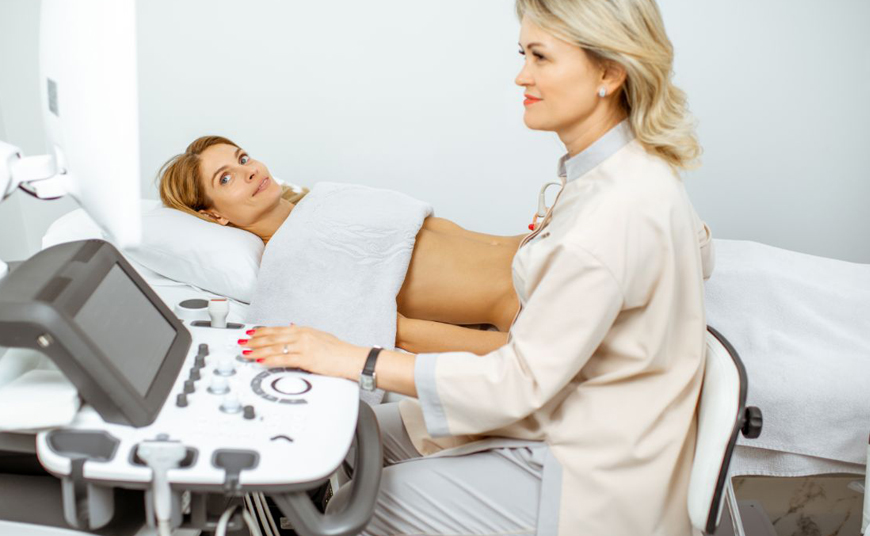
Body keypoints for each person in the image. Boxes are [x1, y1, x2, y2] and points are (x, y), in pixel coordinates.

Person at [242, 0, 715, 534]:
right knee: (353, 432)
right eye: (523, 54)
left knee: (354, 507)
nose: (521, 76)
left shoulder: (610, 213)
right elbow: (701, 250)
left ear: (609, 73)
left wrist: (358, 358)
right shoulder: (633, 170)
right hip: (568, 403)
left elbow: (515, 383)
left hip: (591, 461)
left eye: (540, 58)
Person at [159, 135, 529, 355]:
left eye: (243, 158)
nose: (249, 170)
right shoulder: (288, 266)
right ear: (212, 216)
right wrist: (520, 354)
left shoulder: (326, 199)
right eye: (227, 178)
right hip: (531, 303)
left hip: (544, 250)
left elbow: (438, 229)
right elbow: (395, 333)